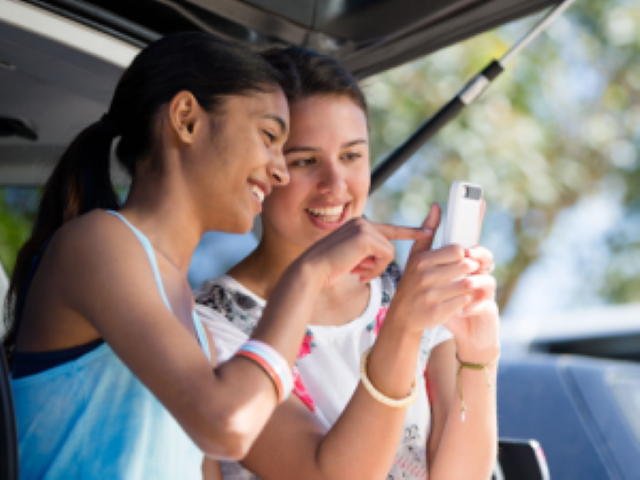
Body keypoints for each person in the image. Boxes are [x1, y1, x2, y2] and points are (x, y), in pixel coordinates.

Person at [3, 33, 429, 479]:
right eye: (268, 136)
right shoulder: (96, 244)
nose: (278, 168)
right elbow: (227, 425)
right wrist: (310, 271)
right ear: (187, 120)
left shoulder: (186, 312)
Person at [195, 47, 500, 479]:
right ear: (263, 169)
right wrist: (403, 327)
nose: (335, 185)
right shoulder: (211, 326)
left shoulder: (407, 292)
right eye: (305, 161)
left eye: (352, 156)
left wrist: (480, 354)